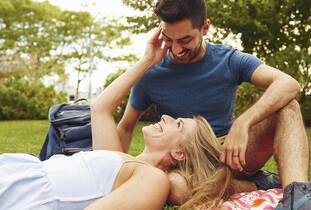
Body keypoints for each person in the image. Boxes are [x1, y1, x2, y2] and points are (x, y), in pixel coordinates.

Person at [117, 0, 311, 209]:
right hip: (185, 162)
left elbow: (288, 84)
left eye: (185, 40)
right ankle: (251, 185)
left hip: (230, 153)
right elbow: (126, 126)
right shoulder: (151, 72)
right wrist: (114, 176)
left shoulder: (228, 59)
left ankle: (299, 196)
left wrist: (243, 123)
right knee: (173, 187)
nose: (177, 50)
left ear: (205, 28)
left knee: (288, 106)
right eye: (169, 39)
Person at [0, 28, 255, 210]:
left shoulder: (152, 180)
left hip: (21, 194)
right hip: (14, 171)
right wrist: (148, 60)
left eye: (177, 123)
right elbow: (99, 107)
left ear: (179, 152)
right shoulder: (118, 157)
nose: (165, 116)